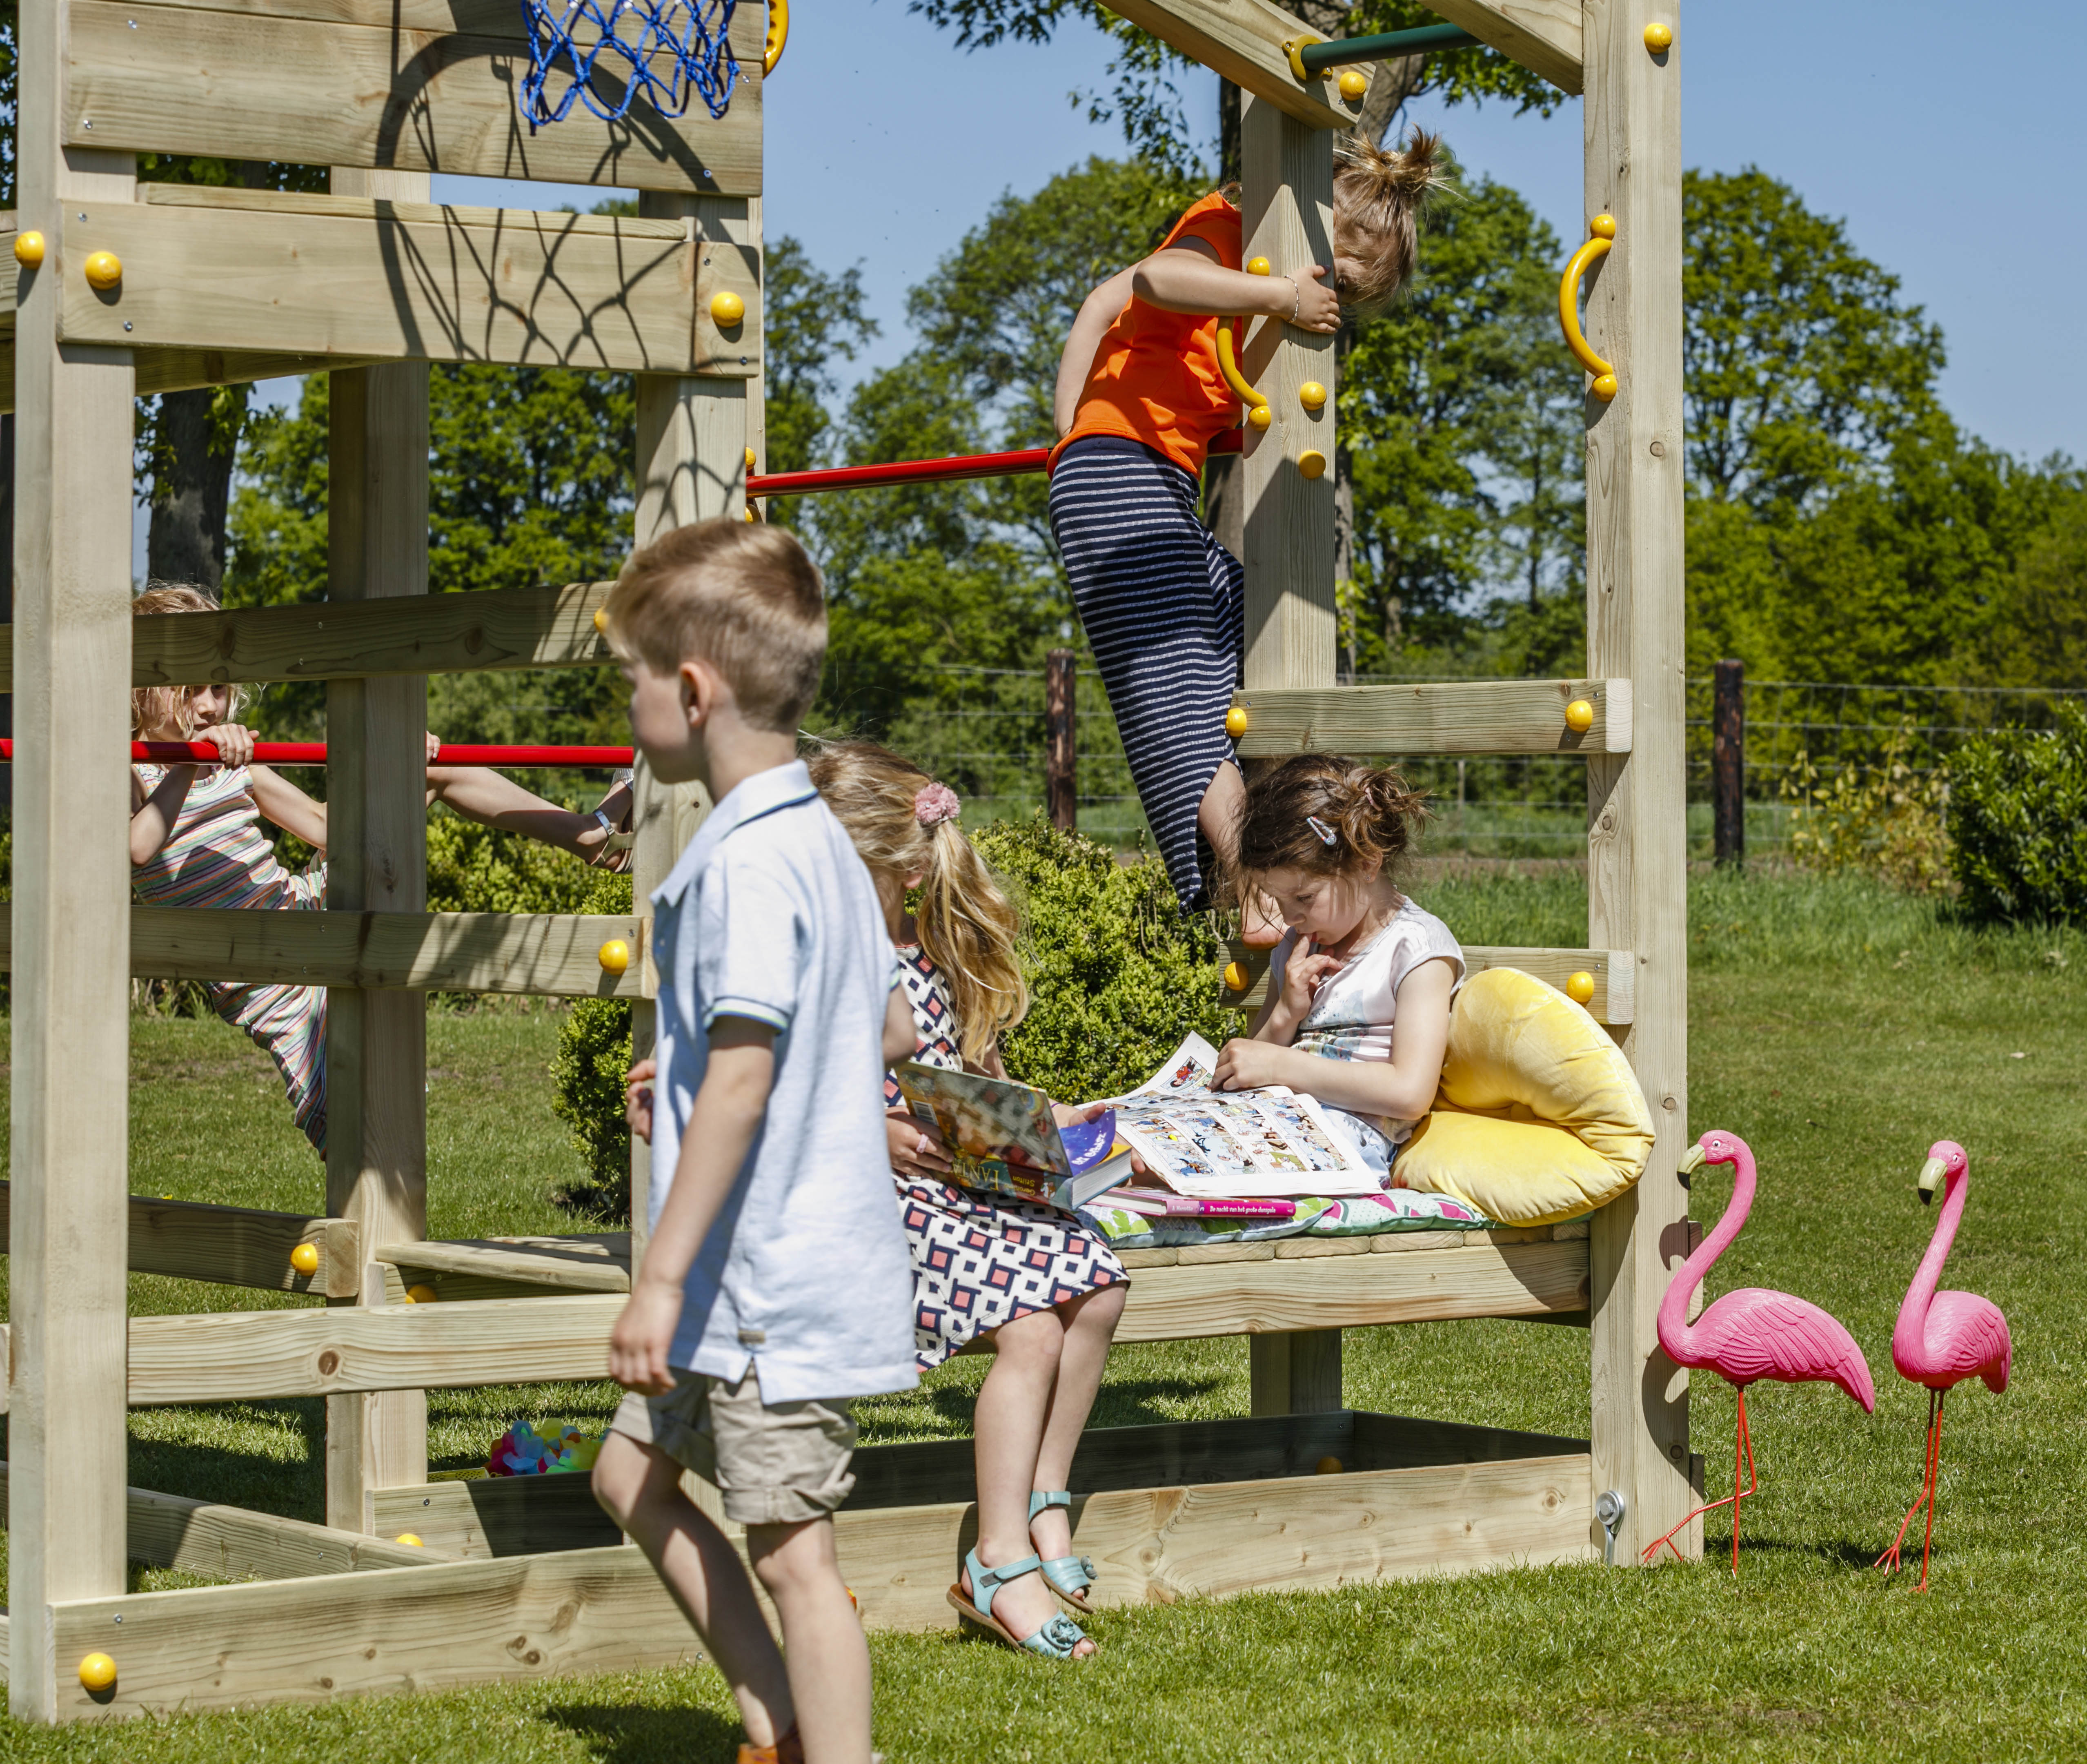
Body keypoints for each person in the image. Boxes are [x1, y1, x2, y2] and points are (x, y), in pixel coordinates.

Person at [586, 521, 908, 1764]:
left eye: (628, 675)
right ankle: (777, 1722)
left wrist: (655, 1279)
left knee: (795, 1553)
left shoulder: (751, 862)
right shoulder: (814, 838)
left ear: (693, 689)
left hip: (762, 1288)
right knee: (630, 1481)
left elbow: (747, 1076)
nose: (625, 698)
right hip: (748, 1278)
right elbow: (870, 1019)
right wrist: (680, 1076)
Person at [1047, 131, 1446, 923]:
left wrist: (1067, 440)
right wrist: (1279, 299)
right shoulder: (1229, 231)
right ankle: (1256, 881)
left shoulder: (1247, 277)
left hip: (1150, 477)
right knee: (1182, 695)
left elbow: (1101, 303)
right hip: (1119, 468)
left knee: (1257, 629)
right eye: (1337, 280)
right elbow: (1161, 279)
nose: (1330, 299)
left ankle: (1280, 850)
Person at [804, 740, 1124, 1662]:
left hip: (953, 1182)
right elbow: (791, 1088)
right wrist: (881, 1135)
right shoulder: (827, 953)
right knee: (1030, 1329)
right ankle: (997, 1558)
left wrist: (1048, 1120)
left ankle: (1040, 1503)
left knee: (1096, 1284)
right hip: (871, 1194)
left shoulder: (925, 947)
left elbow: (974, 1075)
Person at [127, 581, 633, 1152]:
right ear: (144, 691)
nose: (209, 707)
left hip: (306, 912)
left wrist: (390, 766)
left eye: (218, 688)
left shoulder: (235, 768)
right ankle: (367, 1230)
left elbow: (325, 829)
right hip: (269, 976)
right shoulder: (132, 771)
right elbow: (138, 848)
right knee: (353, 1126)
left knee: (429, 770)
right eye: (190, 689)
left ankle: (592, 836)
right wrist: (188, 768)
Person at [1215, 755, 1462, 1181]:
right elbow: (1255, 1056)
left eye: (1304, 898)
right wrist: (1286, 1015)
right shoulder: (1297, 946)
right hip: (1278, 1120)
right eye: (1279, 900)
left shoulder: (1415, 948)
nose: (1290, 917)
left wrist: (1281, 1068)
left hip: (1346, 1138)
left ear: (1367, 862)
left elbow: (1410, 1093)